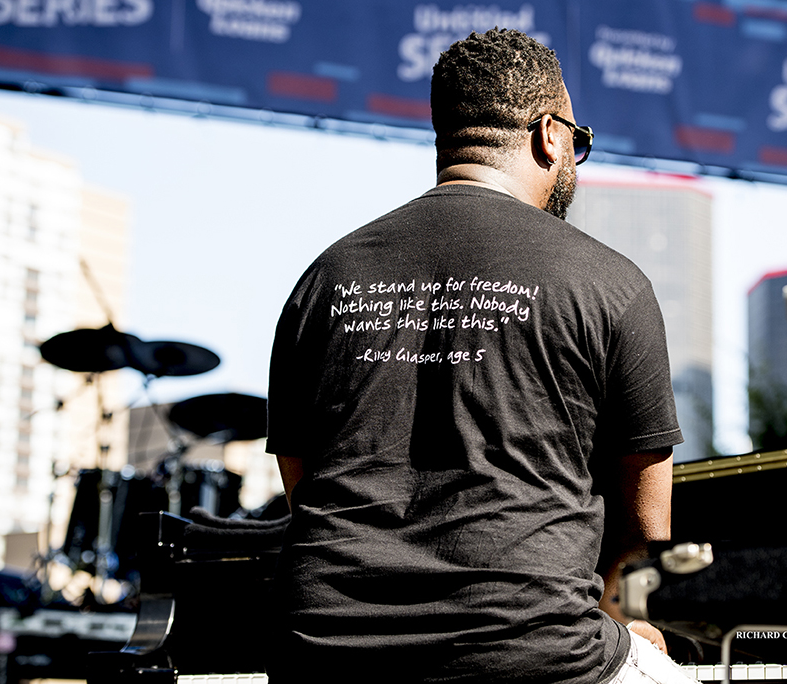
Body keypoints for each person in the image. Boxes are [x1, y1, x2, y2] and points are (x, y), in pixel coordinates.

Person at [266, 28, 692, 683]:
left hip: (325, 658)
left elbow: (303, 483)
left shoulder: (325, 277)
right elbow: (646, 513)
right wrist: (601, 611)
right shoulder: (611, 283)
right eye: (578, 140)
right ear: (550, 135)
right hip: (538, 659)